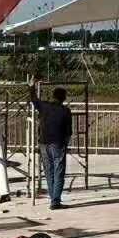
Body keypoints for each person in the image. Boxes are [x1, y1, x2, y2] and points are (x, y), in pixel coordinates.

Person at [30, 82, 73, 210]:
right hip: (58, 143)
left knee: (49, 172)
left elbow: (34, 99)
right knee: (58, 172)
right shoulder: (65, 111)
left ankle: (53, 198)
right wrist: (65, 144)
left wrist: (31, 87)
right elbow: (68, 132)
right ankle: (55, 201)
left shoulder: (44, 106)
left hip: (44, 143)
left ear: (53, 96)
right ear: (63, 98)